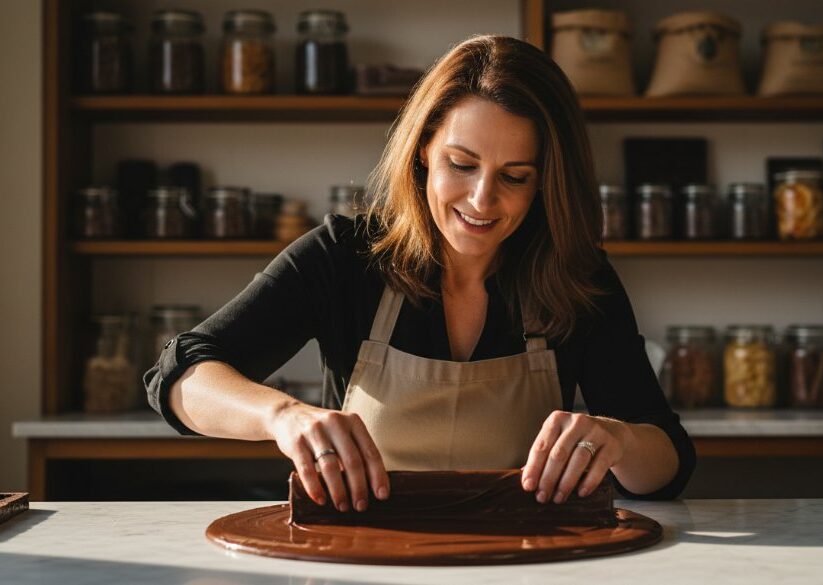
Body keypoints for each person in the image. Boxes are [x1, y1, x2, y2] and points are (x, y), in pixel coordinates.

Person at [145, 35, 695, 514]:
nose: (482, 199)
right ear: (423, 152)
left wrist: (618, 439)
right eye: (461, 164)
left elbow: (666, 465)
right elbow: (178, 378)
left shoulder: (575, 275)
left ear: (547, 182)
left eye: (516, 176)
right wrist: (284, 416)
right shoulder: (346, 256)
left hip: (522, 561)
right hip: (363, 559)